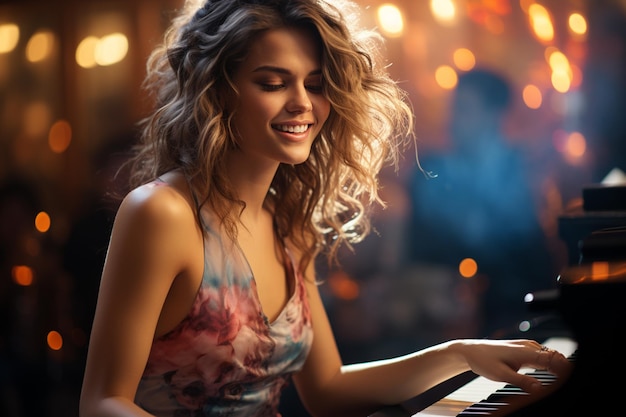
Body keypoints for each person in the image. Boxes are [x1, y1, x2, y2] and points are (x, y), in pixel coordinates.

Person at [79, 1, 572, 416]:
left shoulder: (290, 225)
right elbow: (102, 401)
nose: (302, 103)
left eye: (314, 84)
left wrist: (459, 355)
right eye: (273, 83)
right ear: (219, 91)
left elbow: (328, 389)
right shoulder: (161, 213)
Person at [408, 68, 555, 338]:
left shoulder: (523, 171)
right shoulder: (432, 171)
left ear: (493, 116)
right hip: (445, 322)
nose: (452, 120)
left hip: (517, 319)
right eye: (453, 108)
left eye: (463, 109)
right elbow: (418, 251)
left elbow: (528, 254)